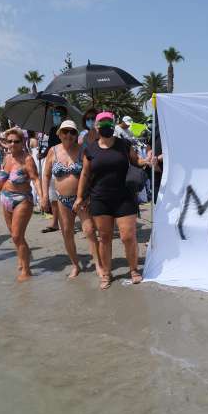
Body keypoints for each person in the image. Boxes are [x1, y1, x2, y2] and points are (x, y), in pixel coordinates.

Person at [74, 112, 152, 289]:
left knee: (128, 236)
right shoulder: (90, 149)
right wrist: (79, 197)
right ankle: (107, 273)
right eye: (102, 123)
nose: (106, 126)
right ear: (96, 126)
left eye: (109, 122)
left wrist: (146, 160)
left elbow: (136, 160)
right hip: (100, 198)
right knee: (105, 237)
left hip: (124, 197)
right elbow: (85, 174)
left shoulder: (124, 145)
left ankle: (133, 269)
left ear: (114, 124)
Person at [41, 120, 102, 278]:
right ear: (59, 134)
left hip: (82, 199)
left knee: (89, 231)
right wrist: (44, 196)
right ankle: (75, 265)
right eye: (65, 131)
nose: (69, 135)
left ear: (76, 135)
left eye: (72, 132)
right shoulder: (52, 151)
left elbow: (92, 174)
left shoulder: (84, 150)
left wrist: (87, 196)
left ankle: (99, 265)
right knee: (67, 233)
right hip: (62, 200)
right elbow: (46, 175)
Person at [0, 127, 42, 281]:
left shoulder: (27, 159)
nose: (12, 144)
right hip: (6, 198)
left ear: (23, 142)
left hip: (22, 199)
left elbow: (35, 179)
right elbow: (1, 180)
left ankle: (26, 271)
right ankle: (23, 257)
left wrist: (42, 197)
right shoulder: (7, 158)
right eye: (9, 141)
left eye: (16, 141)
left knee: (16, 235)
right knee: (16, 237)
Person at [39, 105, 66, 233]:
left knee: (67, 195)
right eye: (54, 114)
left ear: (64, 116)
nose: (55, 116)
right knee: (53, 196)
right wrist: (43, 154)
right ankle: (55, 222)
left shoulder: (68, 129)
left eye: (58, 114)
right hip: (53, 164)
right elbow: (50, 147)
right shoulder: (52, 129)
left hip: (65, 165)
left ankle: (68, 221)